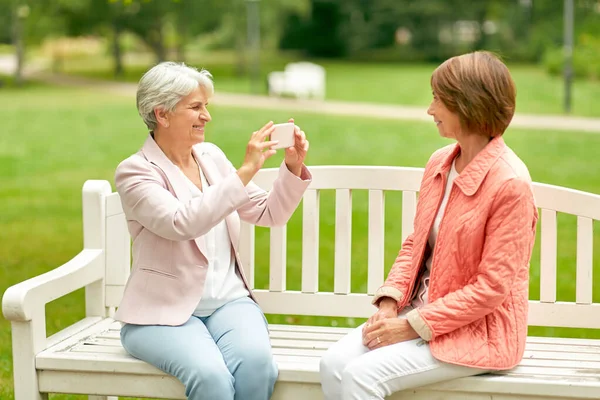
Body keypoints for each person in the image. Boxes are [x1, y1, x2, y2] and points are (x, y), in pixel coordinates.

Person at [320, 51, 538, 399]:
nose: (430, 109)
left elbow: (491, 288)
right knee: (332, 364)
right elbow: (415, 244)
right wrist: (390, 303)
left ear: (467, 104)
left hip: (478, 332)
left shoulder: (510, 183)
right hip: (417, 314)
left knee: (361, 376)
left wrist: (410, 326)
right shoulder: (440, 163)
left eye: (438, 99)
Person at [114, 61, 311, 400]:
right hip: (160, 315)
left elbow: (269, 213)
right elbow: (182, 222)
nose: (207, 116)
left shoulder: (211, 157)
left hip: (228, 304)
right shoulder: (135, 172)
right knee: (210, 377)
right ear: (162, 114)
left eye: (206, 106)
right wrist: (245, 172)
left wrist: (292, 167)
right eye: (196, 107)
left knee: (257, 365)